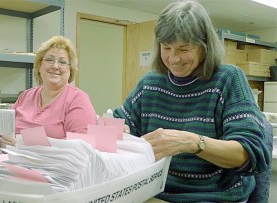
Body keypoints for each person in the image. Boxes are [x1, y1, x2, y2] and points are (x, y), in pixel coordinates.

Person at [113, 1, 272, 202]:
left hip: (212, 197)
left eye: (183, 49)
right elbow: (119, 122)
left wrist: (193, 143)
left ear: (205, 46)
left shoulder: (228, 80)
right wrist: (117, 130)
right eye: (166, 47)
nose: (173, 59)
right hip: (154, 193)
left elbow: (250, 156)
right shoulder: (149, 84)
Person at [0, 36, 97, 152]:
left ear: (70, 70)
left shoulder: (78, 99)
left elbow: (83, 146)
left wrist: (23, 146)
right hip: (12, 161)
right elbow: (4, 129)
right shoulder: (25, 96)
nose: (55, 66)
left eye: (62, 62)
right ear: (39, 66)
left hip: (54, 167)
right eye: (49, 60)